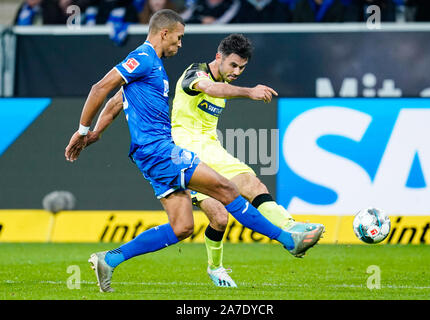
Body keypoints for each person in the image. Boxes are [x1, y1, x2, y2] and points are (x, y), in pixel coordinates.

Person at [64, 10, 324, 292]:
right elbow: (100, 87)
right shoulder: (145, 57)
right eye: (179, 37)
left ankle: (109, 259)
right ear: (164, 33)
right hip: (161, 150)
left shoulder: (152, 67)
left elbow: (117, 100)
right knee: (227, 190)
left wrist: (97, 132)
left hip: (151, 154)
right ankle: (289, 240)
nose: (180, 43)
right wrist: (82, 129)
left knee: (182, 227)